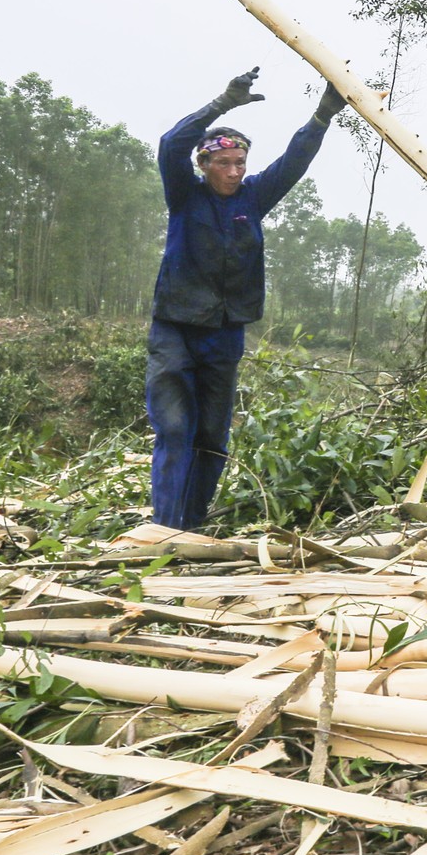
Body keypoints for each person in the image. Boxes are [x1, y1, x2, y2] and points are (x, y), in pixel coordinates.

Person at [147, 66, 346, 530]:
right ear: (203, 165)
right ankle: (164, 527)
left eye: (240, 163)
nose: (234, 172)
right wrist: (221, 104)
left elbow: (293, 161)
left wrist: (322, 115)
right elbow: (171, 144)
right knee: (176, 429)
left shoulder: (252, 199)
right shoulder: (184, 195)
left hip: (225, 333)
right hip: (175, 329)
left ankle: (191, 526)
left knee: (213, 437)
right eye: (223, 163)